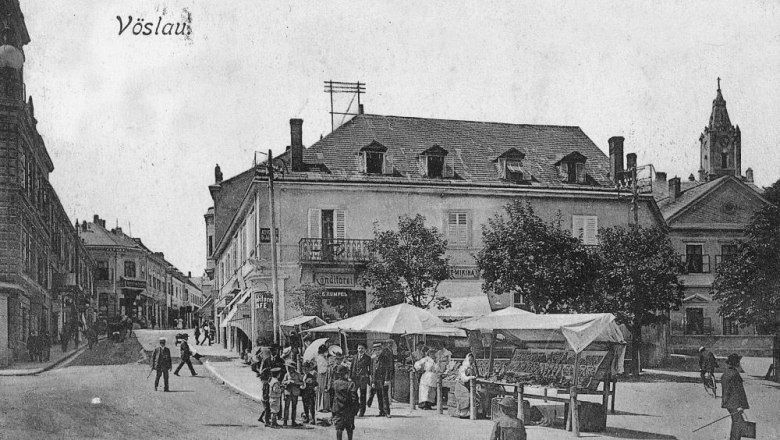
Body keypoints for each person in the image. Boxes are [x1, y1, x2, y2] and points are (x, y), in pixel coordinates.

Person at [721, 353, 749, 440]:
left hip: (728, 403)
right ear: (736, 363)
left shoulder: (725, 374)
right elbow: (739, 392)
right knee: (738, 423)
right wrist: (740, 406)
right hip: (735, 404)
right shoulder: (735, 375)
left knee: (736, 422)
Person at [330, 365, 359, 440]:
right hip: (348, 410)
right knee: (349, 428)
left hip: (338, 409)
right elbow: (354, 398)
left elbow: (331, 397)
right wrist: (355, 410)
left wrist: (333, 410)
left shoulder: (335, 383)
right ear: (346, 374)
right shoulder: (351, 384)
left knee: (339, 428)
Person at [452, 352, 479, 418]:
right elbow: (464, 378)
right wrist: (471, 377)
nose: (471, 362)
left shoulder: (472, 368)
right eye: (469, 360)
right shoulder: (463, 368)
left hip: (468, 386)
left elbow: (476, 375)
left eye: (472, 360)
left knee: (478, 395)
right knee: (466, 395)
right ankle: (463, 413)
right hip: (460, 386)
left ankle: (473, 412)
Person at [371, 341, 394, 418]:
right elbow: (372, 371)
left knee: (385, 396)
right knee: (379, 396)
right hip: (376, 380)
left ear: (381, 350)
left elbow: (388, 369)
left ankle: (387, 412)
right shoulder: (374, 359)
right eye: (375, 350)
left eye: (378, 350)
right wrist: (373, 381)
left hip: (383, 380)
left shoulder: (385, 358)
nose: (377, 351)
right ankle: (381, 411)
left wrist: (387, 379)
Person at [350, 343, 372, 417]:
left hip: (363, 379)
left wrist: (367, 375)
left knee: (363, 395)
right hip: (355, 379)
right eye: (359, 348)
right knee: (353, 394)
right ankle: (355, 410)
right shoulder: (354, 357)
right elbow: (351, 367)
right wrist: (350, 376)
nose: (360, 350)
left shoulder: (368, 358)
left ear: (365, 350)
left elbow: (370, 369)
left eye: (362, 348)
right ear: (357, 349)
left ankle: (362, 411)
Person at [282, 359, 303, 427]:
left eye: (290, 367)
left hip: (295, 392)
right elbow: (283, 382)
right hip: (288, 392)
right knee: (286, 407)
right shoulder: (286, 375)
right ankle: (285, 421)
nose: (288, 369)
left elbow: (302, 383)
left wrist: (296, 383)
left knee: (294, 407)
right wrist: (287, 382)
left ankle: (293, 421)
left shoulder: (298, 374)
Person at [316, 344, 331, 412]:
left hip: (325, 375)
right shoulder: (320, 358)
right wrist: (327, 367)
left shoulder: (324, 358)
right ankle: (322, 407)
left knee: (326, 390)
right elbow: (321, 369)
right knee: (322, 390)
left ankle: (326, 406)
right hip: (322, 375)